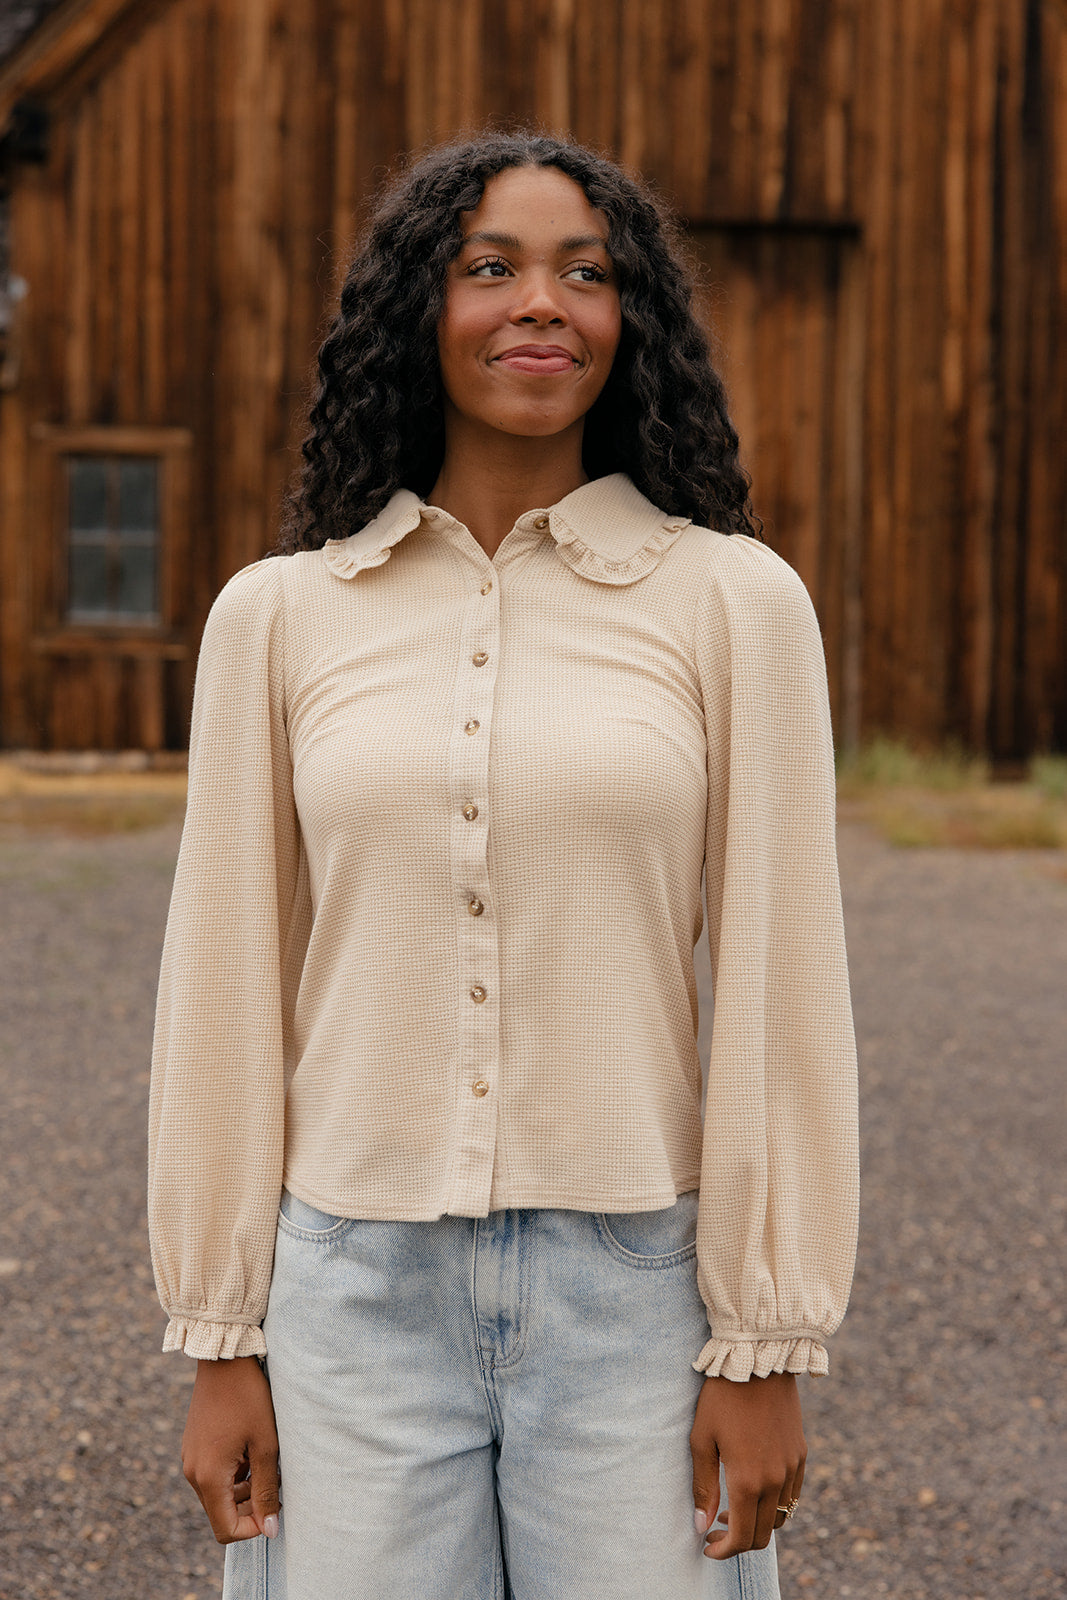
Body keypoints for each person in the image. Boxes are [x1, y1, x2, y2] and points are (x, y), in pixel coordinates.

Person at [148, 131, 859, 1600]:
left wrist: (766, 1342)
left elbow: (787, 985)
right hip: (349, 1293)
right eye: (491, 267)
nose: (543, 302)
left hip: (635, 1302)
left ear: (630, 324)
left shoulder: (734, 604)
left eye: (586, 274)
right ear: (420, 308)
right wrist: (224, 1340)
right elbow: (223, 993)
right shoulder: (279, 618)